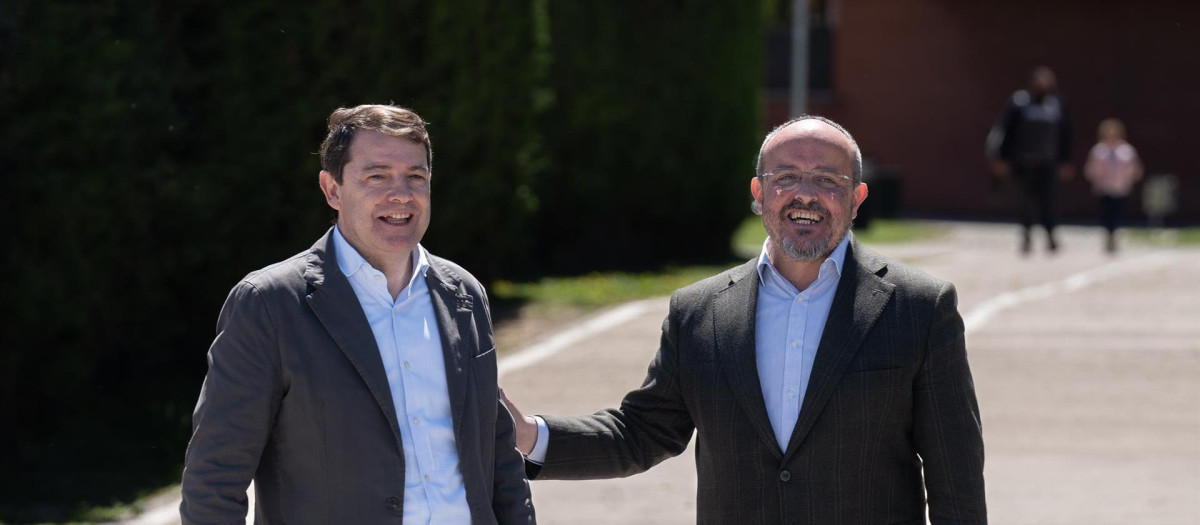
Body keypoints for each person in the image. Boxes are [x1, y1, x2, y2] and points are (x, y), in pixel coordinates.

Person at [502, 116, 987, 523]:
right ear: (759, 192)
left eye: (827, 180)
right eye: (785, 178)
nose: (804, 195)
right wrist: (528, 434)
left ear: (858, 197)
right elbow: (642, 432)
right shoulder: (699, 312)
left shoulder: (919, 308)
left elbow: (956, 476)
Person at [180, 104, 535, 524]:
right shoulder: (269, 304)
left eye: (416, 176)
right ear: (332, 189)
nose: (401, 194)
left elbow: (499, 457)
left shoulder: (464, 295)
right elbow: (214, 478)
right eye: (377, 176)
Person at [986, 66, 1074, 255]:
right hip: (1023, 162)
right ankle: (1026, 236)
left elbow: (1065, 134)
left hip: (1047, 162)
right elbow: (1004, 129)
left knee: (1048, 201)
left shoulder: (1056, 104)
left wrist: (1065, 160)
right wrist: (1000, 157)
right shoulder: (1019, 102)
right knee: (1025, 201)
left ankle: (1051, 236)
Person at [1084, 118, 1143, 253]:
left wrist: (1131, 179)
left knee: (1118, 214)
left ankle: (1115, 235)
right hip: (1104, 188)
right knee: (1106, 214)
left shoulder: (1126, 150)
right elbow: (1092, 169)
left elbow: (1134, 168)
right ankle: (1108, 236)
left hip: (1121, 187)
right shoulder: (1099, 150)